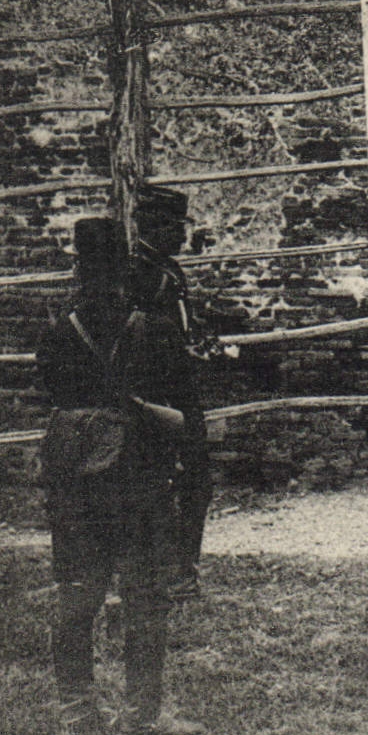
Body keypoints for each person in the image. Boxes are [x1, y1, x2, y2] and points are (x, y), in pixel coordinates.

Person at [37, 216, 204, 735]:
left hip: (76, 484)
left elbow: (56, 396)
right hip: (138, 481)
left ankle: (77, 715)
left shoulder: (58, 333)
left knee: (77, 595)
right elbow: (180, 403)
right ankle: (143, 714)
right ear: (125, 269)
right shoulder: (152, 328)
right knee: (144, 597)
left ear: (78, 270)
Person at [126, 185, 230, 602]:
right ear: (158, 226)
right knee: (160, 483)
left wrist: (200, 343)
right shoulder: (136, 275)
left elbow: (179, 327)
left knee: (195, 482)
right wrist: (176, 351)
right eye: (178, 226)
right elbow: (133, 340)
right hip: (155, 397)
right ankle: (165, 572)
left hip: (181, 390)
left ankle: (181, 568)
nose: (186, 235)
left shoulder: (169, 270)